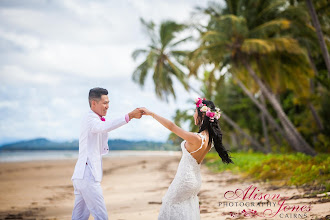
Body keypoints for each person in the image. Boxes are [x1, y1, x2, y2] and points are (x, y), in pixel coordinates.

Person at [139, 97, 234, 220]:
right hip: (195, 181)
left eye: (195, 112)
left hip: (184, 180)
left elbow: (172, 127)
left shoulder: (197, 138)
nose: (194, 115)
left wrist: (151, 114)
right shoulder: (209, 140)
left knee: (170, 204)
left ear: (203, 114)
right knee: (186, 208)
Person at [71, 87, 143, 220]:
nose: (107, 106)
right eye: (105, 103)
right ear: (94, 103)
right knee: (101, 216)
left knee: (79, 217)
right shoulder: (90, 119)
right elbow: (104, 127)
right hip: (87, 176)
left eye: (108, 103)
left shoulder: (94, 119)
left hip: (81, 175)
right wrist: (130, 116)